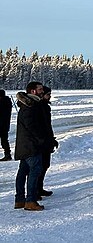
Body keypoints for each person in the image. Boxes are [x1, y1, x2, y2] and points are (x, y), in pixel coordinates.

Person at [14, 82, 47, 211]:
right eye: (40, 89)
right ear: (33, 91)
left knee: (23, 171)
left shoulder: (31, 104)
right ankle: (30, 200)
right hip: (31, 146)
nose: (42, 91)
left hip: (26, 145)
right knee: (35, 171)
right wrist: (41, 139)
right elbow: (32, 126)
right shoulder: (30, 106)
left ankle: (20, 200)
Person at [38, 86, 58, 198]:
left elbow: (48, 126)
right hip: (42, 141)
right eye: (47, 94)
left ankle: (39, 188)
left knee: (45, 165)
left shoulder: (45, 107)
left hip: (47, 140)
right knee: (40, 166)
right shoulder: (40, 107)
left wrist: (52, 139)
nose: (49, 96)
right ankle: (36, 189)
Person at [0, 89, 13, 161]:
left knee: (4, 141)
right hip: (5, 125)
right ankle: (7, 154)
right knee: (4, 140)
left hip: (2, 125)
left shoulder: (2, 103)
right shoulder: (7, 102)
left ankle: (7, 154)